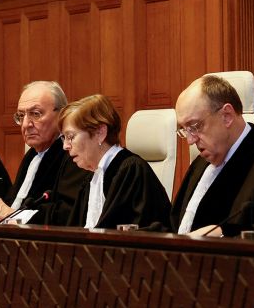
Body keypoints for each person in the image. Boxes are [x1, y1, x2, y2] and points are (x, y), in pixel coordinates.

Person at [172, 74, 254, 235]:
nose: (190, 140)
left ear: (227, 116)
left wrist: (222, 232)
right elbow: (175, 225)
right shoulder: (200, 164)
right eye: (184, 130)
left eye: (195, 126)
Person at [0, 81, 90, 225]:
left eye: (35, 114)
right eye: (21, 116)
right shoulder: (31, 156)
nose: (26, 125)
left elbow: (67, 215)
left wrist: (10, 214)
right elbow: (14, 207)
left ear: (61, 115)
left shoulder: (72, 155)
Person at [63, 94, 173, 230]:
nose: (65, 146)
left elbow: (130, 236)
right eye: (64, 138)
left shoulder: (131, 170)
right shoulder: (93, 177)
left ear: (100, 133)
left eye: (70, 137)